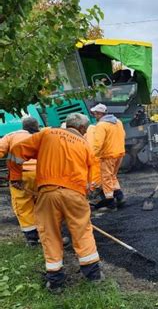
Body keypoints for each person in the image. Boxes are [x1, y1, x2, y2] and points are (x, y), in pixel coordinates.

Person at [8, 113, 102, 291]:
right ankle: (93, 274)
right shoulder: (85, 144)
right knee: (82, 232)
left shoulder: (46, 134)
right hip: (75, 195)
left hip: (48, 193)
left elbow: (16, 152)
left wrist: (15, 177)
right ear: (82, 129)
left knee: (50, 234)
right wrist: (89, 191)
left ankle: (56, 280)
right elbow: (94, 174)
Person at [0, 117, 40, 245]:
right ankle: (48, 231)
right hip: (42, 174)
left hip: (22, 175)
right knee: (42, 203)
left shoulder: (11, 136)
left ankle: (32, 237)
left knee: (23, 205)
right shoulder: (42, 135)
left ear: (23, 126)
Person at [90, 103, 126, 209]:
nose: (94, 116)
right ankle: (119, 196)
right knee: (112, 175)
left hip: (108, 155)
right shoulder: (118, 122)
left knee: (106, 178)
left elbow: (97, 143)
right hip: (119, 153)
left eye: (95, 114)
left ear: (100, 114)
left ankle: (110, 201)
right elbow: (123, 135)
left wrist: (92, 156)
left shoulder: (101, 125)